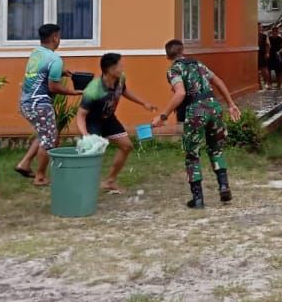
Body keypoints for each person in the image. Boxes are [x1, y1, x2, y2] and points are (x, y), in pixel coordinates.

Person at [152, 39, 242, 209]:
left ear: (167, 56)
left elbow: (180, 94)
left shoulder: (174, 69)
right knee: (216, 148)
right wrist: (230, 104)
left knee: (192, 154)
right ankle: (223, 186)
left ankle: (198, 199)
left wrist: (162, 116)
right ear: (183, 50)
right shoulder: (198, 64)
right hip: (214, 107)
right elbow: (219, 81)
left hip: (196, 111)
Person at [75, 52, 158, 194]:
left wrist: (143, 103)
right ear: (110, 69)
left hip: (109, 119)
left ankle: (109, 182)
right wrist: (86, 135)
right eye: (120, 65)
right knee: (91, 155)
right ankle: (81, 186)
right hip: (93, 122)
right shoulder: (93, 89)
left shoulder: (120, 79)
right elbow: (80, 116)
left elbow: (124, 91)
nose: (123, 67)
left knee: (126, 146)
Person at [15, 24, 81, 186]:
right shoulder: (55, 59)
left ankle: (24, 164)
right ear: (55, 38)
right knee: (50, 140)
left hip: (26, 103)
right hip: (40, 105)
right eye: (59, 36)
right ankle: (40, 177)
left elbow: (40, 72)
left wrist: (62, 73)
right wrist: (74, 92)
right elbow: (53, 87)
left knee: (43, 134)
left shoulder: (36, 53)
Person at [257, 25, 271, 89]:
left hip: (263, 53)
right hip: (256, 53)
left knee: (264, 69)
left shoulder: (264, 36)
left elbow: (268, 45)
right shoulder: (252, 35)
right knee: (256, 71)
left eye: (260, 27)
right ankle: (259, 85)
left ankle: (267, 83)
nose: (259, 28)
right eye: (258, 27)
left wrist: (267, 53)